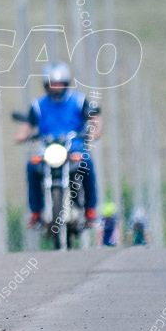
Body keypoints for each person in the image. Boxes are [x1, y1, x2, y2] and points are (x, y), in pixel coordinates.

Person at [15, 62, 102, 230]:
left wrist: (94, 131)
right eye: (52, 84)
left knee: (87, 163)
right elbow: (28, 125)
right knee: (31, 165)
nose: (55, 87)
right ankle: (36, 212)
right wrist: (22, 136)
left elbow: (94, 118)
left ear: (66, 83)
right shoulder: (38, 105)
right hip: (46, 148)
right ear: (46, 85)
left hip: (73, 147)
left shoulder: (78, 100)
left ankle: (90, 210)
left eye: (59, 83)